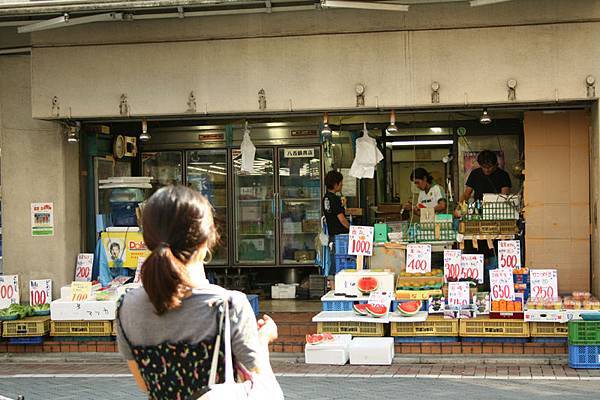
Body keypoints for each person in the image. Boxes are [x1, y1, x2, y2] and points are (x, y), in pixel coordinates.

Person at [116, 186, 279, 399]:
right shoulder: (228, 305)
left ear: (148, 238)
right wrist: (262, 340)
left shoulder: (126, 306)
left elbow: (144, 384)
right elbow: (266, 390)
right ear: (206, 240)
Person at [322, 170, 350, 237]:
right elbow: (342, 220)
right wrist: (353, 230)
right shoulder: (335, 199)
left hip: (331, 234)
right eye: (341, 182)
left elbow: (332, 213)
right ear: (335, 184)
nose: (342, 184)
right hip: (341, 235)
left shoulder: (325, 198)